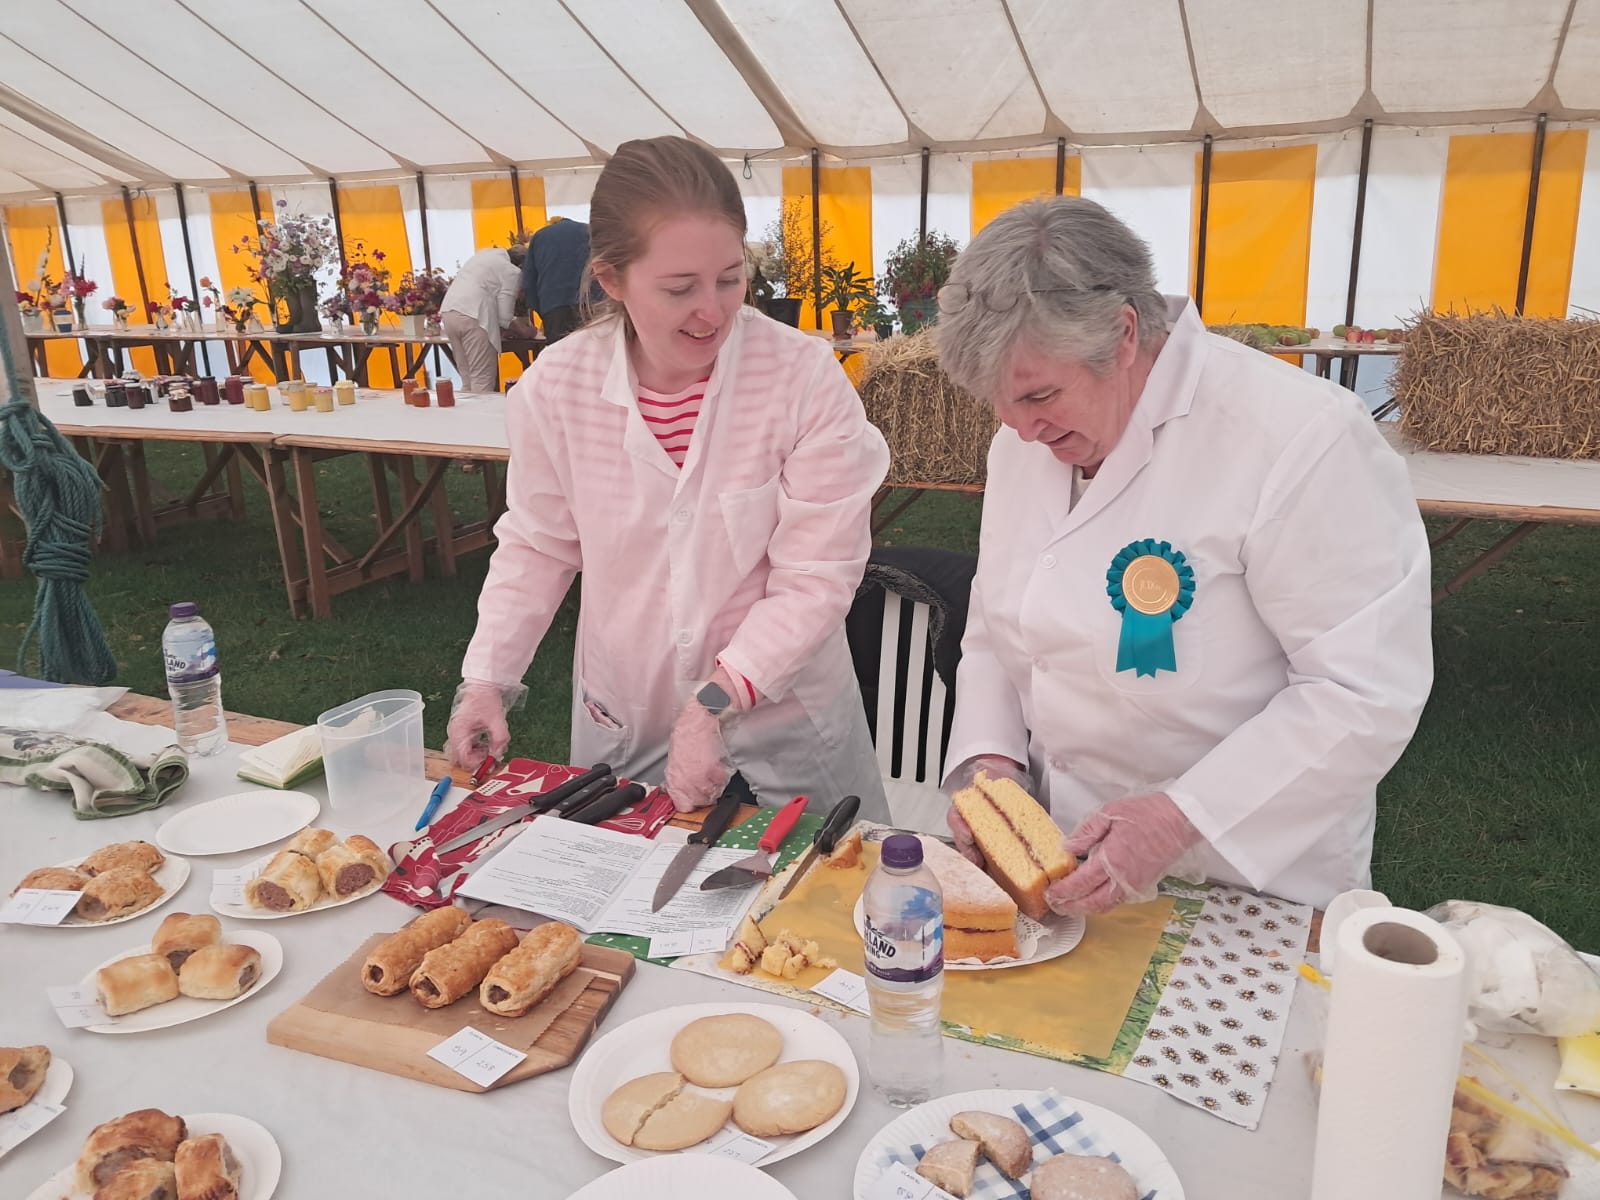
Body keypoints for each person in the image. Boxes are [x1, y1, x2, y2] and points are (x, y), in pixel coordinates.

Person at [936, 197, 1433, 913]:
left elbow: (1363, 690)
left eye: (1039, 395)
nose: (1018, 429)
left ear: (1124, 335)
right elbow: (994, 624)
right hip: (1068, 856)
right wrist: (992, 762)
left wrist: (1181, 819)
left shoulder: (1301, 435)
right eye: (999, 402)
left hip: (1247, 875)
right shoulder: (1024, 442)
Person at [446, 136, 890, 820]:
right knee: (629, 880)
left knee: (817, 880)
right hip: (632, 705)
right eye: (680, 289)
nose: (713, 311)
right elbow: (538, 545)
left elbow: (816, 576)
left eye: (730, 278)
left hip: (788, 718)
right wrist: (487, 680)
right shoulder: (556, 389)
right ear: (611, 279)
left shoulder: (800, 376)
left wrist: (715, 701)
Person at [440, 244, 526, 392]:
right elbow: (504, 316)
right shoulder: (512, 271)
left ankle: (464, 408)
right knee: (482, 380)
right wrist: (523, 331)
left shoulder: (483, 256)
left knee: (467, 380)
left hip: (449, 312)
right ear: (522, 265)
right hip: (475, 317)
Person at [521, 217, 591, 343]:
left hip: (554, 306)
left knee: (560, 352)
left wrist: (544, 311)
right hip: (590, 302)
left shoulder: (539, 237)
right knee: (594, 350)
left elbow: (529, 284)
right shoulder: (589, 231)